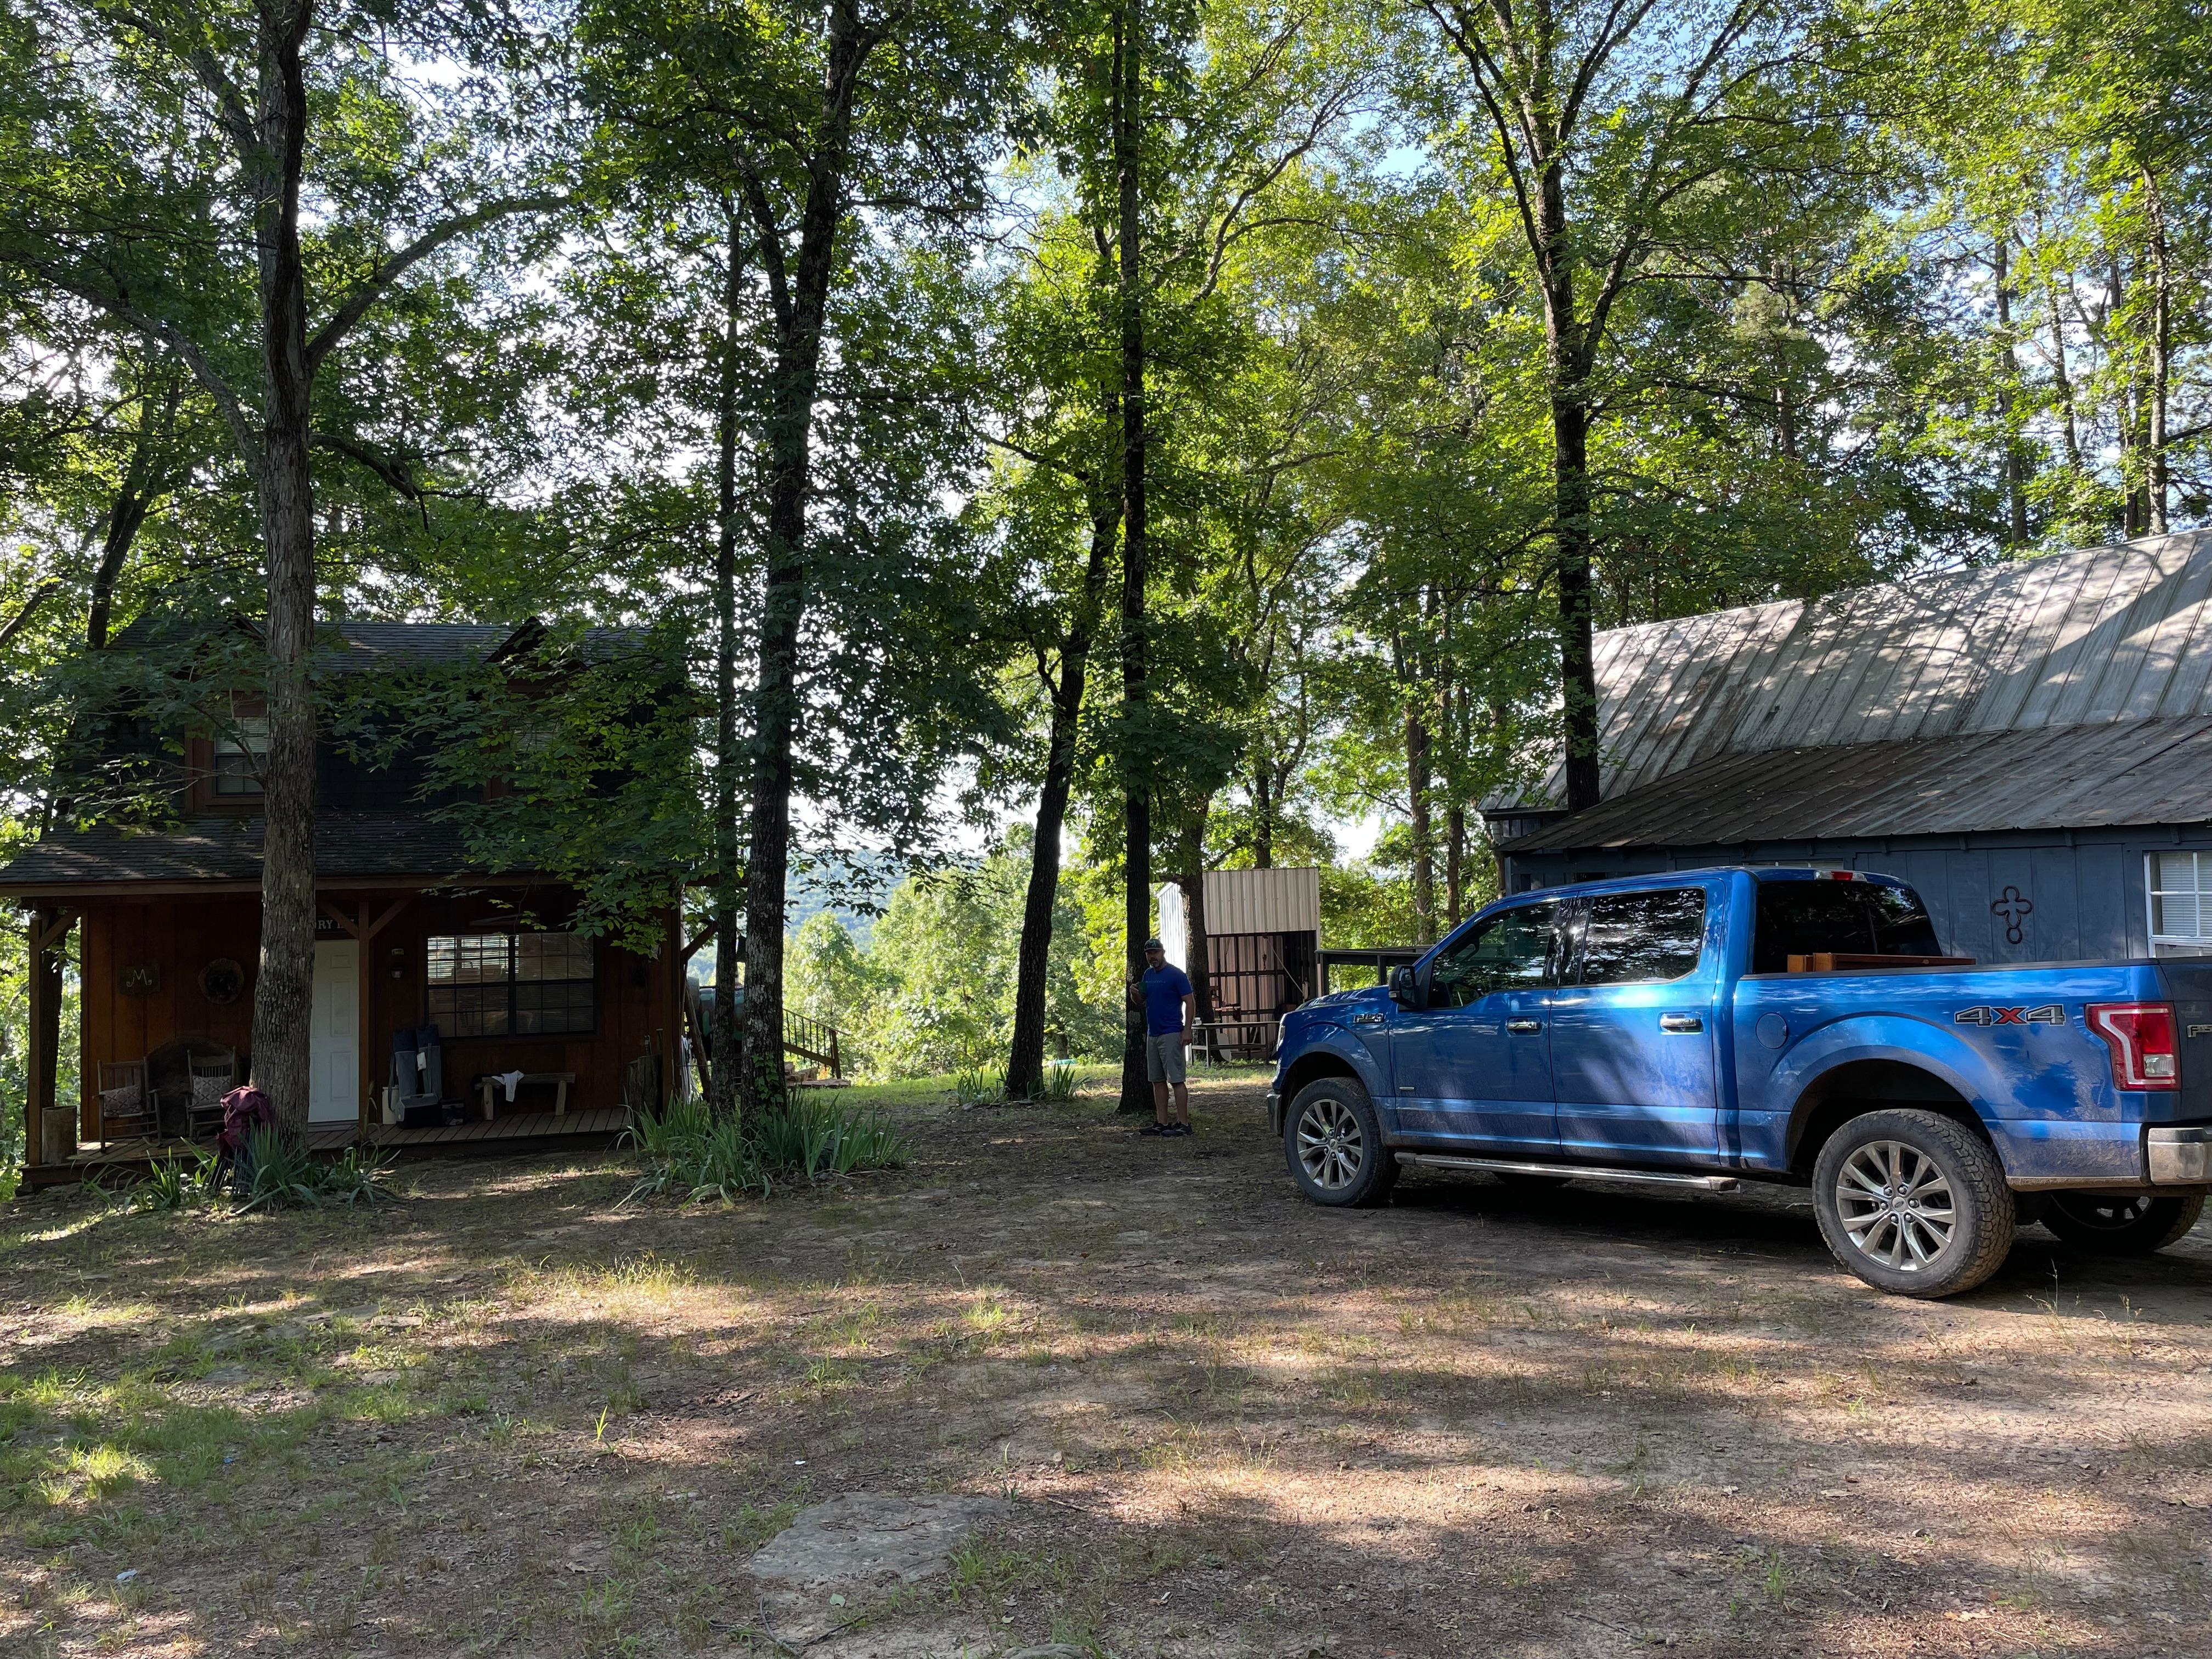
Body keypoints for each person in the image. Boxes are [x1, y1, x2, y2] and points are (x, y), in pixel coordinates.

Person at [1132, 938, 1197, 1138]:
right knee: (1157, 1081)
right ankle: (1162, 1122)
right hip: (1153, 1033)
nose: (1153, 957)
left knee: (1176, 1080)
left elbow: (1190, 1002)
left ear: (1163, 953)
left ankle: (1184, 1124)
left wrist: (1187, 1030)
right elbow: (1142, 1002)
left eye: (1156, 953)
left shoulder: (1176, 975)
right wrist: (1134, 994)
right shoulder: (1147, 975)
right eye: (1149, 954)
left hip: (1171, 1032)